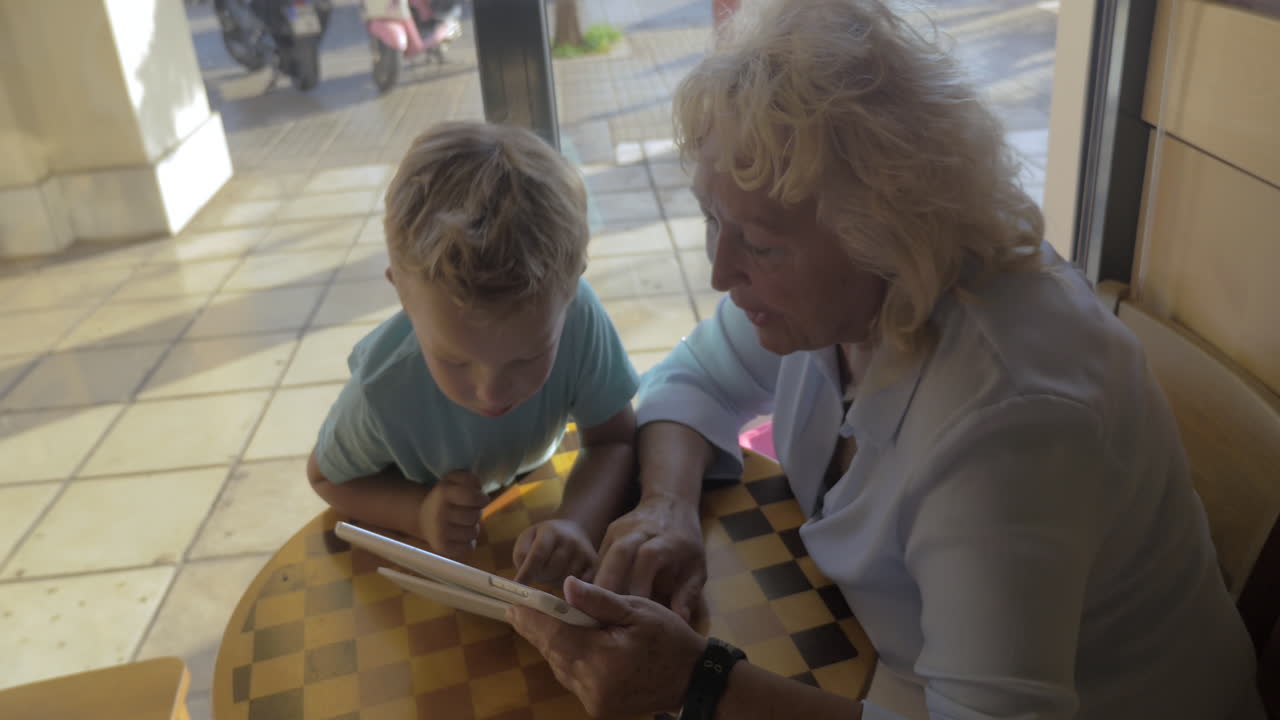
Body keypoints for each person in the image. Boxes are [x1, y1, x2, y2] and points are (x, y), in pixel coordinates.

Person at [508, 1, 1266, 718]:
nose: (719, 271)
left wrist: (697, 683)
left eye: (762, 243)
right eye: (713, 220)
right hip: (889, 666)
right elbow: (692, 374)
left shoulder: (1006, 420)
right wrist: (664, 507)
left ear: (886, 226)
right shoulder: (846, 300)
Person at [306, 121, 639, 586]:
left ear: (572, 286)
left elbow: (616, 440)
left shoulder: (580, 316)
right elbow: (326, 478)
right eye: (455, 361)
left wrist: (576, 523)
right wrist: (417, 513)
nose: (491, 391)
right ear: (401, 295)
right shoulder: (383, 389)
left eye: (526, 358)